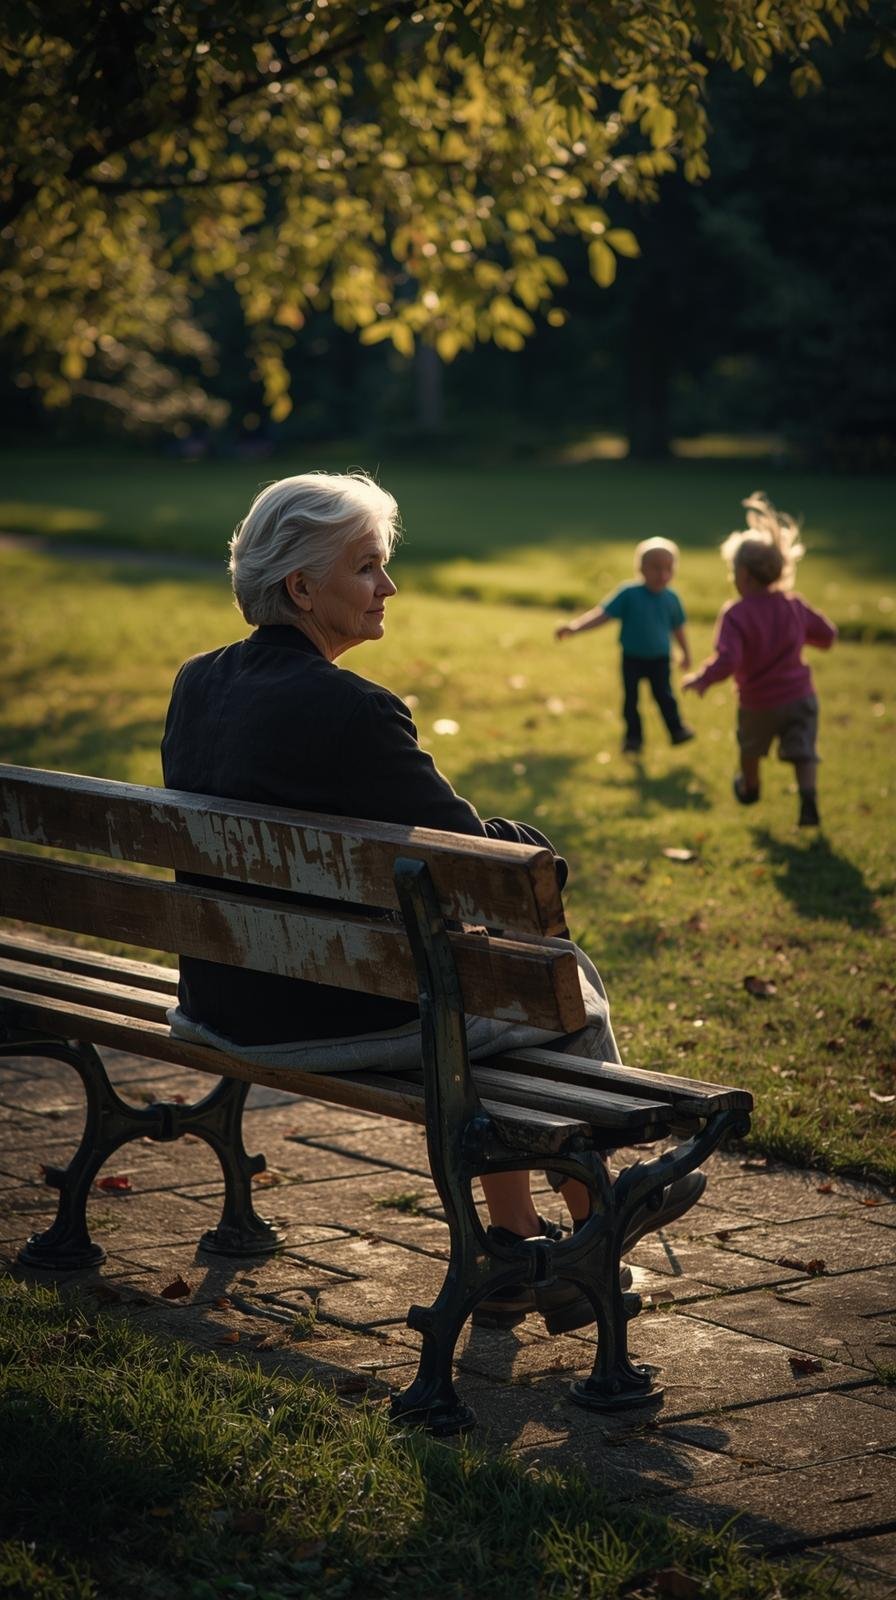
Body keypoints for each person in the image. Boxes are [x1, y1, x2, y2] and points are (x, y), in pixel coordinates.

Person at [161, 471, 703, 1331]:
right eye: (368, 567)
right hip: (322, 1014)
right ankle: (595, 1230)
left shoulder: (197, 683)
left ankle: (517, 1248)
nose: (390, 587)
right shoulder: (356, 711)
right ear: (301, 587)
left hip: (221, 1000)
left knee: (487, 993)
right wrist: (521, 840)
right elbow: (488, 870)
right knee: (561, 980)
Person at [683, 492, 837, 828]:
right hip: (801, 697)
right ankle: (808, 796)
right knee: (803, 749)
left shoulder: (736, 613)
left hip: (759, 703)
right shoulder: (793, 604)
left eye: (732, 571)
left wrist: (702, 679)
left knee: (750, 749)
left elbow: (729, 659)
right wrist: (804, 637)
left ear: (745, 576)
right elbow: (828, 634)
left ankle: (750, 787)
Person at [555, 537, 694, 754]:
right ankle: (633, 739)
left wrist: (685, 653)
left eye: (669, 569)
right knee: (631, 701)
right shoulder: (629, 594)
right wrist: (574, 628)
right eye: (656, 568)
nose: (663, 575)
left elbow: (678, 628)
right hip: (632, 658)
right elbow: (602, 615)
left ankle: (677, 730)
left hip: (660, 659)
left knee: (665, 696)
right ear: (641, 568)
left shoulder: (671, 598)